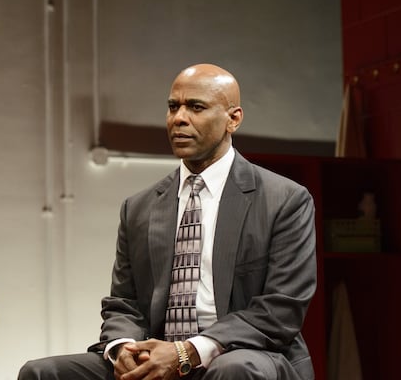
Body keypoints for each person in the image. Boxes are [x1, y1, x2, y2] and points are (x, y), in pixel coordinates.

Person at [19, 63, 317, 380]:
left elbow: (280, 310)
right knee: (42, 373)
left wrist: (186, 352)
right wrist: (124, 348)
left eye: (196, 107)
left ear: (233, 119)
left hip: (240, 354)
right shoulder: (139, 208)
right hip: (157, 353)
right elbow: (123, 304)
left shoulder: (284, 200)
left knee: (235, 369)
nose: (179, 119)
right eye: (173, 107)